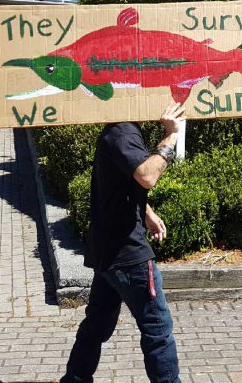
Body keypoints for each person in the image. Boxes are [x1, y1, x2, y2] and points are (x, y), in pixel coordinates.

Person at [60, 102, 186, 383]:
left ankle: (75, 379)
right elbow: (147, 175)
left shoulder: (120, 131)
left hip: (109, 251)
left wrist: (146, 213)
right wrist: (172, 135)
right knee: (157, 328)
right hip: (128, 254)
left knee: (97, 324)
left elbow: (120, 181)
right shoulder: (123, 132)